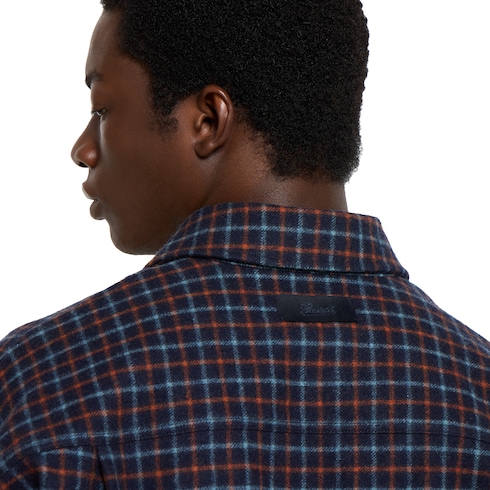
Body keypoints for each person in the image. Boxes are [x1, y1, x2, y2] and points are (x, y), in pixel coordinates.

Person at [0, 0, 489, 487]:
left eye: (102, 109)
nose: (83, 149)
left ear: (208, 121)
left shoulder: (41, 383)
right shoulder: (476, 387)